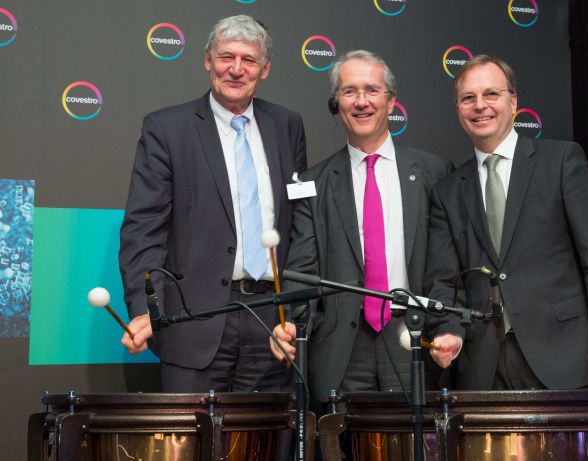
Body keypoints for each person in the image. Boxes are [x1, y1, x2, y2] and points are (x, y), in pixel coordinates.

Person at [119, 15, 307, 393]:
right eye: (226, 57)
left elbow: (301, 220)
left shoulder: (288, 126)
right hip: (192, 322)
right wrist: (145, 308)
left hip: (272, 324)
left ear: (265, 69)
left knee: (264, 446)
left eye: (249, 60)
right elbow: (144, 230)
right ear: (208, 60)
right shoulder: (167, 128)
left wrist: (296, 312)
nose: (236, 69)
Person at [424, 54, 588, 390]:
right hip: (483, 367)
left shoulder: (561, 161)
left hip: (562, 355)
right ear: (458, 110)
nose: (480, 106)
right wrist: (448, 331)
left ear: (514, 101)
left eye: (491, 94)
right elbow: (443, 281)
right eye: (468, 98)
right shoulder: (448, 191)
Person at [269, 50, 462, 403]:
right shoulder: (314, 183)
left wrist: (447, 327)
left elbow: (445, 266)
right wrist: (291, 324)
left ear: (391, 102)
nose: (361, 102)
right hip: (341, 349)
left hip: (413, 337)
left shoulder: (435, 172)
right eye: (349, 91)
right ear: (336, 103)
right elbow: (302, 268)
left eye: (372, 90)